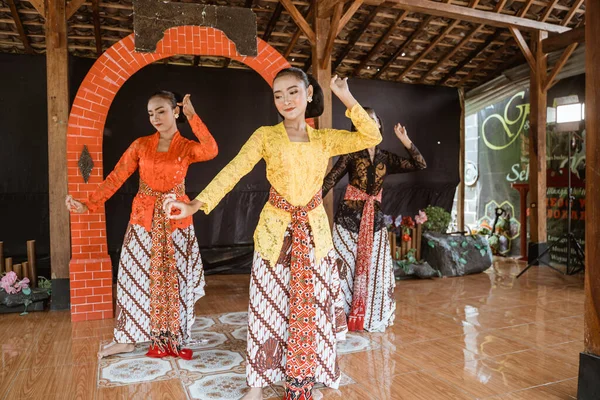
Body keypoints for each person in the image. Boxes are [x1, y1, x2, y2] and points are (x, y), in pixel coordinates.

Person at [163, 68, 381, 400]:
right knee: (268, 310)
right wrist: (197, 203)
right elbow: (234, 169)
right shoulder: (266, 135)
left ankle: (308, 374)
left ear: (308, 94)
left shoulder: (324, 139)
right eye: (278, 95)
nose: (285, 100)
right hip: (274, 234)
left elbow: (371, 136)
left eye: (293, 92)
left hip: (315, 237)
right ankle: (257, 384)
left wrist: (345, 96)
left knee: (315, 308)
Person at [65, 91, 218, 360]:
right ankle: (125, 339)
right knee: (131, 278)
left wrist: (193, 115)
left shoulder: (186, 147)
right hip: (143, 219)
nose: (155, 118)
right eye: (150, 113)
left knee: (178, 279)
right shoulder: (141, 145)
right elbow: (115, 178)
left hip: (176, 220)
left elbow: (211, 149)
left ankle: (175, 337)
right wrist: (87, 204)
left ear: (175, 112)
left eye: (161, 111)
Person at [322, 108, 427, 332]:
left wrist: (406, 141)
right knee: (342, 271)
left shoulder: (386, 157)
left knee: (375, 271)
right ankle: (340, 319)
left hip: (375, 224)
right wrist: (304, 204)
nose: (369, 123)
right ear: (357, 125)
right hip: (347, 222)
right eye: (364, 120)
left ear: (379, 126)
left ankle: (368, 317)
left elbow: (420, 165)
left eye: (373, 120)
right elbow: (329, 181)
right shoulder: (351, 154)